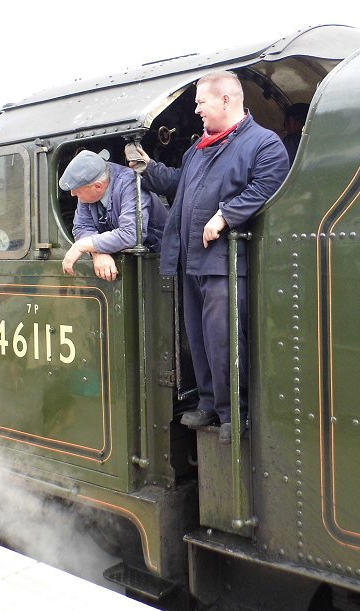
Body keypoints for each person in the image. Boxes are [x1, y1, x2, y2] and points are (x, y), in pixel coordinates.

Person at [133, 71, 289, 443]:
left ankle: (236, 412)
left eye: (201, 102)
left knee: (225, 339)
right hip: (191, 260)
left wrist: (225, 214)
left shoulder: (264, 144)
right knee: (198, 338)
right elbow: (176, 183)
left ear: (225, 100)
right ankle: (208, 402)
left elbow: (268, 184)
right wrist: (147, 168)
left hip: (227, 262)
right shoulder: (199, 148)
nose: (197, 109)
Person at [60, 149, 167, 281]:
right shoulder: (89, 189)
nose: (72, 194)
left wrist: (81, 246)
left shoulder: (131, 184)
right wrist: (97, 252)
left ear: (98, 187)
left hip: (158, 261)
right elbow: (81, 227)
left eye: (76, 191)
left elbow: (131, 233)